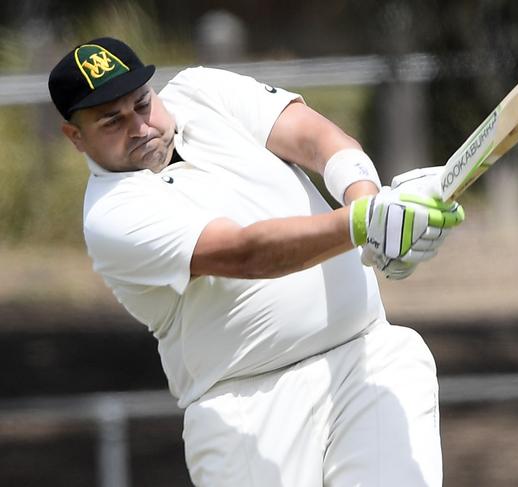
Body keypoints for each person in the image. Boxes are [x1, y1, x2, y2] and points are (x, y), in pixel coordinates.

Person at [48, 37, 464, 487]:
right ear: (76, 137)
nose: (140, 127)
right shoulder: (111, 216)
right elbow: (246, 253)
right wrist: (364, 223)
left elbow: (314, 138)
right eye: (112, 120)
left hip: (366, 357)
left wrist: (375, 211)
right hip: (243, 412)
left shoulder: (201, 89)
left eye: (143, 103)